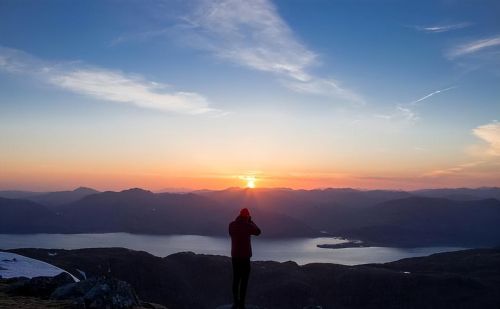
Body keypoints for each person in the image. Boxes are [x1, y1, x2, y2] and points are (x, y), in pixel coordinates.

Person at [228, 208, 261, 309]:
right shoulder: (248, 226)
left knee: (236, 280)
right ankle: (242, 304)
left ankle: (235, 303)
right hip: (245, 258)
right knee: (244, 281)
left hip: (235, 257)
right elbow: (258, 231)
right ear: (247, 216)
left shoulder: (232, 225)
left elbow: (231, 233)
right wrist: (251, 222)